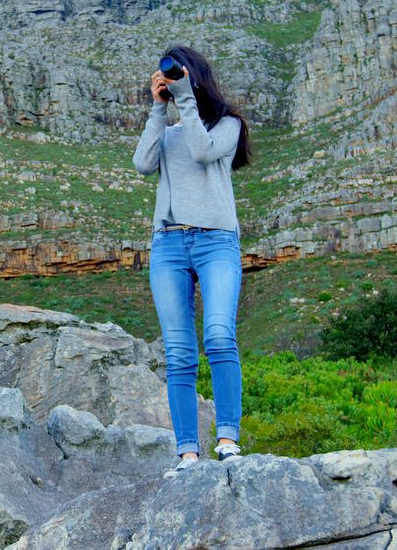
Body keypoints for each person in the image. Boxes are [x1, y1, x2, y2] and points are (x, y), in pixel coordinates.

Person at [132, 45, 252, 479]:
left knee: (219, 336)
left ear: (195, 75)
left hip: (216, 241)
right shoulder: (169, 131)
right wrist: (156, 109)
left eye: (177, 73)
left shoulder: (228, 125)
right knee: (179, 353)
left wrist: (184, 97)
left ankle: (227, 440)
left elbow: (202, 151)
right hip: (168, 244)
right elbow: (142, 163)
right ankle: (187, 452)